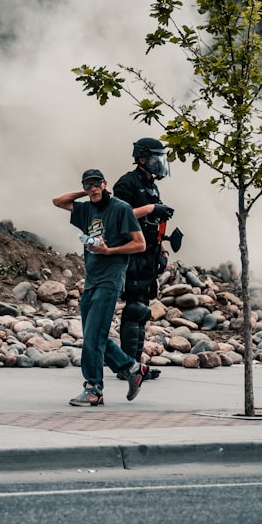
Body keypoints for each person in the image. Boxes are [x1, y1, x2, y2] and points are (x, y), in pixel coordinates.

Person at [52, 169, 148, 406]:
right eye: (88, 185)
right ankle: (132, 367)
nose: (93, 189)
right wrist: (84, 192)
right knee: (94, 336)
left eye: (96, 184)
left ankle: (94, 388)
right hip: (92, 280)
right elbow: (58, 201)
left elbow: (140, 244)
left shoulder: (121, 209)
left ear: (105, 184)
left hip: (111, 279)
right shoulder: (86, 209)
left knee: (93, 337)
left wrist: (109, 251)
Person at [112, 138, 175, 381]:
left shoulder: (151, 186)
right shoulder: (127, 183)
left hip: (149, 253)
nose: (158, 163)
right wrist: (150, 209)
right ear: (141, 158)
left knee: (143, 310)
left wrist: (162, 251)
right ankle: (128, 368)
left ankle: (136, 366)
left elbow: (153, 225)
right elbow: (117, 216)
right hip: (132, 253)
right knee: (134, 309)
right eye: (153, 158)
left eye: (160, 158)